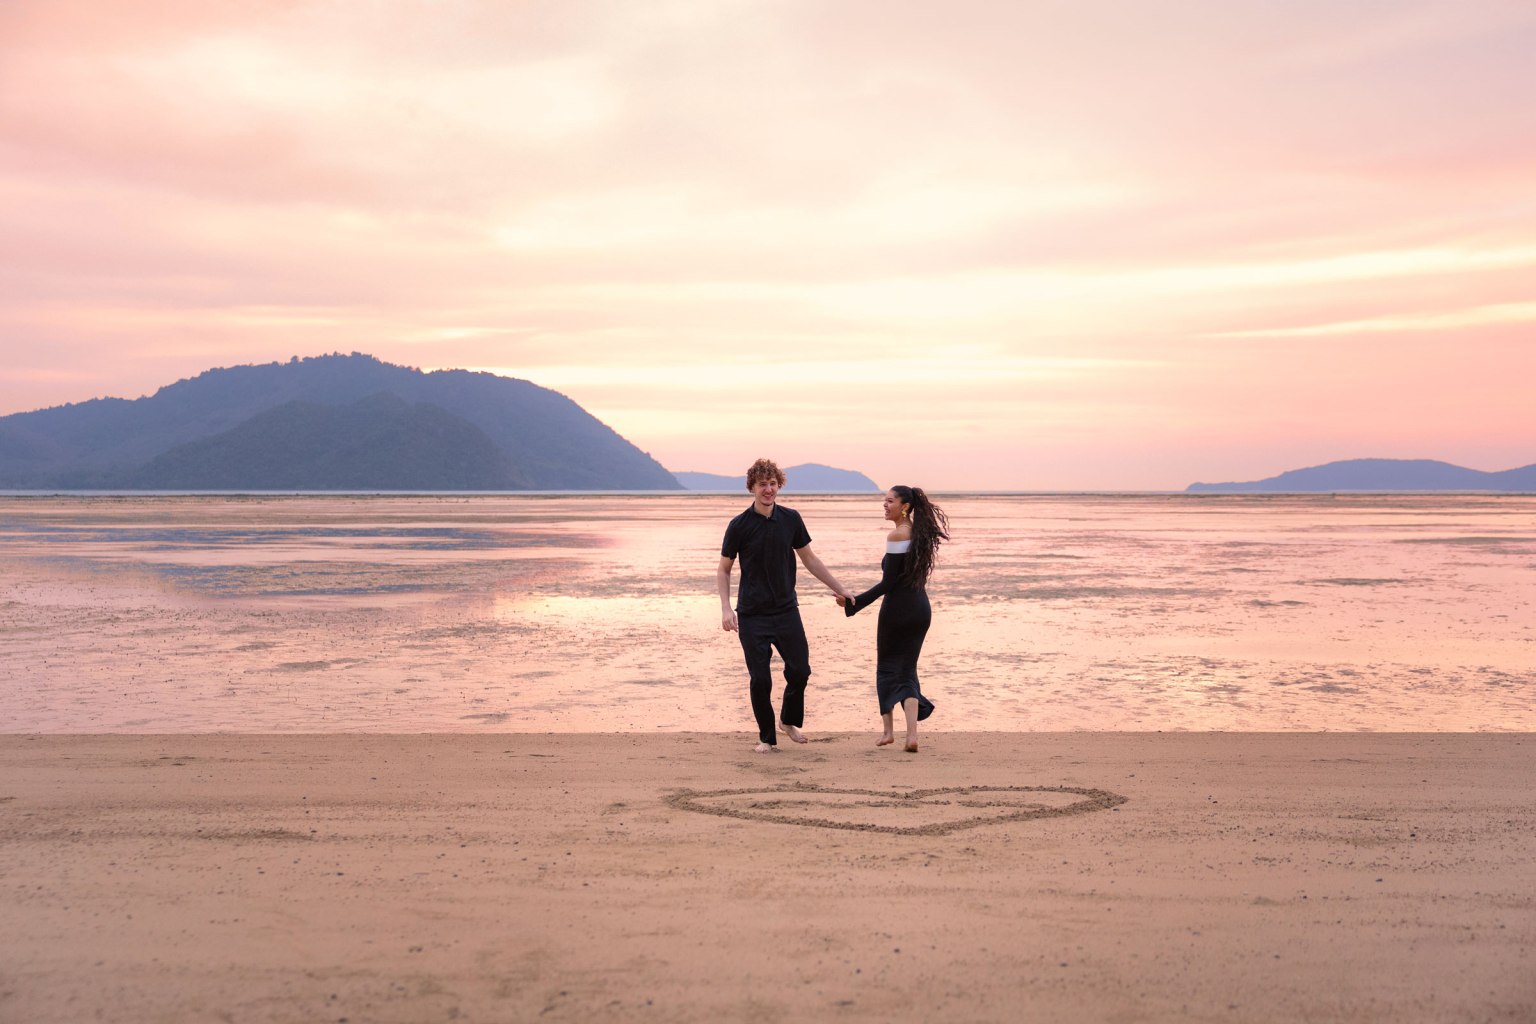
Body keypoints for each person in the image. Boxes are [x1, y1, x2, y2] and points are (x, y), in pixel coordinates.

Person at [719, 458, 854, 753]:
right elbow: (724, 569)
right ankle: (766, 737)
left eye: (772, 484)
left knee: (800, 670)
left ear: (778, 485)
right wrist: (726, 609)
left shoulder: (791, 519)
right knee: (760, 679)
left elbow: (810, 559)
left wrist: (839, 587)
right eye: (762, 484)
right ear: (752, 488)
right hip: (752, 614)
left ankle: (788, 720)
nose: (768, 489)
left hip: (786, 611)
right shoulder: (739, 526)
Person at [836, 485, 949, 752]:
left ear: (905, 506)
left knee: (887, 668)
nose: (884, 505)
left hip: (898, 611)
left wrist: (853, 603)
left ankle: (888, 732)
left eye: (889, 501)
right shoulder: (919, 535)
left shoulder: (897, 535)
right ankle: (912, 736)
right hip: (921, 610)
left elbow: (888, 584)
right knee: (908, 671)